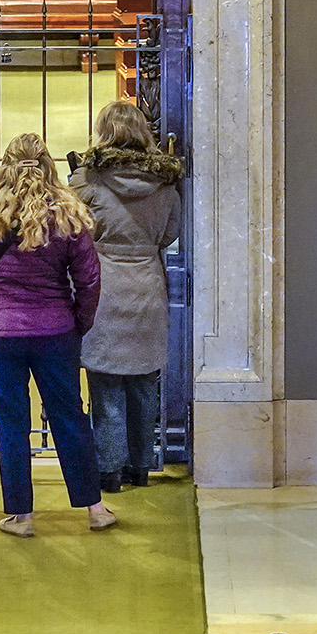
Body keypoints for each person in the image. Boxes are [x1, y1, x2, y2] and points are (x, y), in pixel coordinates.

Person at [0, 133, 115, 537]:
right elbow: (89, 279)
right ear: (48, 164)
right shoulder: (68, 213)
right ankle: (95, 508)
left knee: (11, 422)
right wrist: (79, 323)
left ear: (5, 165)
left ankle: (21, 516)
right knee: (69, 417)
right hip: (55, 329)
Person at [70, 102, 185, 492]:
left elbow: (76, 232)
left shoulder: (87, 181)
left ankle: (109, 471)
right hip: (147, 285)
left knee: (106, 383)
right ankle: (140, 465)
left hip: (104, 284)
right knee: (143, 380)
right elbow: (170, 234)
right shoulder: (166, 183)